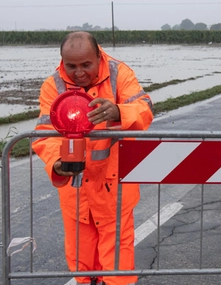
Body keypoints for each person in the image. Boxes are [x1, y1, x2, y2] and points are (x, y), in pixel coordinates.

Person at [32, 31, 154, 285]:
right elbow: (44, 134)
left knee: (117, 269)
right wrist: (56, 163)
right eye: (72, 66)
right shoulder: (53, 86)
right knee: (82, 265)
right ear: (62, 60)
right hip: (76, 195)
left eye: (86, 64)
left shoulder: (119, 74)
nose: (79, 73)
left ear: (99, 56)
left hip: (115, 192)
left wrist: (119, 111)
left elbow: (145, 109)